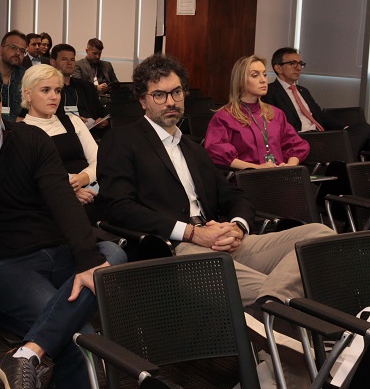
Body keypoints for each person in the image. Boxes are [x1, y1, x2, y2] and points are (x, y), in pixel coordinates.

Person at [0, 61, 126, 389]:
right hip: (3, 267)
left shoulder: (31, 139)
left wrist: (87, 261)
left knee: (112, 252)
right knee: (79, 334)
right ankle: (35, 352)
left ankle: (26, 354)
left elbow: (64, 203)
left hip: (57, 253)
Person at [98, 53, 334, 307]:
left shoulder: (193, 148)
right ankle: (280, 306)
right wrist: (191, 233)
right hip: (177, 248)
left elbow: (233, 195)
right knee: (290, 286)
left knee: (320, 235)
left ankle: (275, 301)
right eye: (160, 95)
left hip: (225, 240)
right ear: (143, 101)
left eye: (176, 93)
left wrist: (237, 227)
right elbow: (119, 207)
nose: (170, 102)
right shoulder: (122, 142)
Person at [21, 64, 101, 221]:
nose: (54, 96)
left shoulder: (72, 121)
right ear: (28, 95)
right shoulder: (20, 132)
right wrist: (68, 191)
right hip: (54, 207)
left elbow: (99, 160)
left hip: (93, 191)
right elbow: (29, 180)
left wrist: (83, 178)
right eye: (45, 90)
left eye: (57, 91)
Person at [264, 46, 370, 159]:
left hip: (321, 135)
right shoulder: (269, 92)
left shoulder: (303, 91)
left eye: (300, 64)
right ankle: (347, 162)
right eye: (293, 63)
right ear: (278, 68)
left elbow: (321, 115)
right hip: (302, 137)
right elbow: (276, 124)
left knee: (363, 127)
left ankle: (345, 161)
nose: (299, 68)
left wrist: (344, 129)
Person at [205, 55, 310, 170]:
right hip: (247, 179)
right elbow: (217, 152)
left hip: (278, 176)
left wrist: (289, 166)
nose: (263, 80)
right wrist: (256, 168)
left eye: (264, 74)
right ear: (240, 81)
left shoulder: (276, 113)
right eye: (255, 75)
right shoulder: (224, 117)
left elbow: (296, 145)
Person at [50, 44, 109, 135]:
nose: (69, 63)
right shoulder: (48, 89)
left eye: (72, 59)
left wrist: (103, 120)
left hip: (90, 132)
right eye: (64, 59)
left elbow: (101, 110)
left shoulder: (86, 87)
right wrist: (73, 120)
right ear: (53, 62)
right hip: (62, 134)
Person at [0, 30, 27, 121]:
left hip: (17, 131)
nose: (18, 53)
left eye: (22, 51)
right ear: (0, 50)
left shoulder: (26, 77)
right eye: (13, 47)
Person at [72, 38, 118, 105]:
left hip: (108, 98)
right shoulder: (78, 65)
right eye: (94, 53)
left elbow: (116, 83)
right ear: (87, 51)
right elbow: (79, 85)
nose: (97, 56)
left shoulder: (107, 65)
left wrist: (108, 87)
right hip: (89, 99)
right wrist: (97, 88)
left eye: (99, 54)